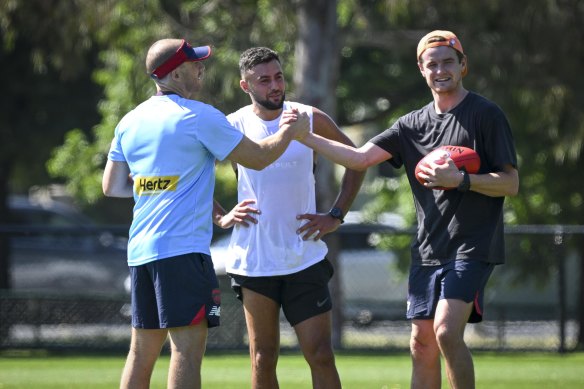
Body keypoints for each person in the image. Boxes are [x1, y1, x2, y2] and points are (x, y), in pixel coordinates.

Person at [299, 30, 519, 389]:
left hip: (472, 246)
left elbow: (511, 183)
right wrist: (306, 136)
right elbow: (359, 158)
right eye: (432, 64)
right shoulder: (411, 125)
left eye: (448, 61)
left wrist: (461, 180)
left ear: (463, 65)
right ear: (421, 69)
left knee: (447, 332)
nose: (440, 69)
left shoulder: (486, 115)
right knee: (421, 343)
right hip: (428, 248)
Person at [102, 38, 309, 389]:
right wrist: (290, 131)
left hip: (141, 252)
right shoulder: (198, 116)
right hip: (183, 253)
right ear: (176, 72)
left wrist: (158, 184)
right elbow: (258, 158)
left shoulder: (130, 120)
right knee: (186, 349)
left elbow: (113, 186)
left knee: (141, 351)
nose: (201, 69)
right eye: (195, 64)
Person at [213, 47, 366, 389]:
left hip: (304, 258)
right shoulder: (232, 125)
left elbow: (357, 162)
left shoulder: (308, 117)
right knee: (262, 357)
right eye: (264, 80)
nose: (275, 86)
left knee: (321, 353)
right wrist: (221, 217)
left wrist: (336, 215)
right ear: (245, 85)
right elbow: (194, 176)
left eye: (279, 76)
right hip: (255, 262)